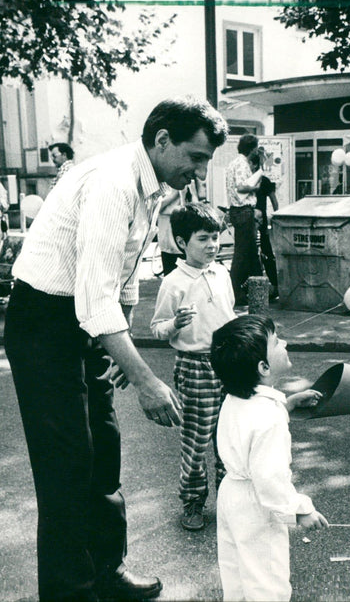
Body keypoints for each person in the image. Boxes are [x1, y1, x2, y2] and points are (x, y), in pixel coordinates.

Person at [3, 96, 228, 601]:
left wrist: (115, 345)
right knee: (65, 467)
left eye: (206, 161)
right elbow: (93, 297)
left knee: (103, 449)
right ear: (162, 139)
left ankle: (107, 569)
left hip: (83, 322)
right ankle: (71, 591)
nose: (198, 171)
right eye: (195, 157)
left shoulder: (151, 184)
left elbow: (125, 277)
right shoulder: (113, 183)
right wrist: (147, 378)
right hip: (45, 322)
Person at [211, 314, 328, 601]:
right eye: (276, 342)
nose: (284, 343)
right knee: (267, 580)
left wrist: (286, 404)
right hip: (256, 504)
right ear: (263, 367)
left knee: (237, 571)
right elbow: (269, 477)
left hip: (231, 494)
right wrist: (299, 509)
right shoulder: (269, 418)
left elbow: (248, 433)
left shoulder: (237, 396)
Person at [150, 202, 236, 531]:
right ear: (183, 243)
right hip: (195, 366)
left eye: (215, 237)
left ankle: (230, 503)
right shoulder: (174, 282)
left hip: (228, 362)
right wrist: (175, 323)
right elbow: (157, 328)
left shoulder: (222, 273)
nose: (212, 245)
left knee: (231, 437)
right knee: (197, 440)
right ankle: (193, 501)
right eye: (203, 239)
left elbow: (227, 315)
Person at [225, 134, 263, 305]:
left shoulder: (234, 163)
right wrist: (255, 186)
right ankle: (236, 292)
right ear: (252, 148)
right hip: (244, 210)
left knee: (250, 252)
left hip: (238, 210)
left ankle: (256, 290)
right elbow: (241, 187)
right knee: (243, 253)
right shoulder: (241, 163)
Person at [248, 146, 279, 299]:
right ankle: (256, 287)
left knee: (266, 253)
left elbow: (274, 201)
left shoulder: (264, 181)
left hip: (261, 221)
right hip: (249, 221)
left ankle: (274, 286)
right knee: (253, 253)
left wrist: (275, 219)